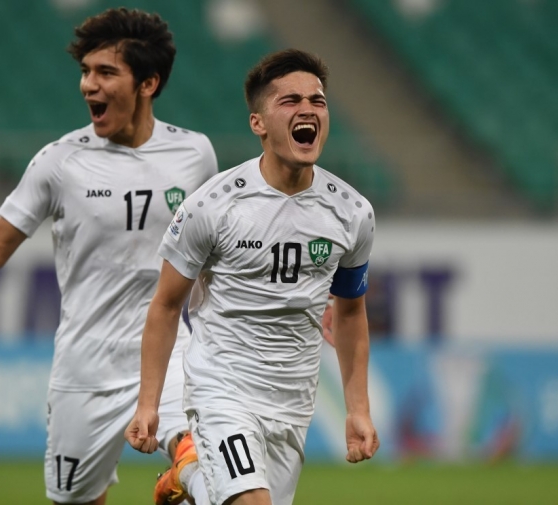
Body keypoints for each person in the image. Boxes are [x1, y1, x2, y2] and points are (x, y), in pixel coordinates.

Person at [0, 8, 216, 505]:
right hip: (85, 369)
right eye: (85, 72)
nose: (89, 85)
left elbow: (213, 252)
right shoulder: (59, 162)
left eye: (106, 72)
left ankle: (183, 479)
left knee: (202, 463)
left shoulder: (195, 155)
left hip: (169, 355)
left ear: (148, 83)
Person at [125, 49, 380, 505]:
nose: (307, 109)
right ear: (258, 123)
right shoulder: (212, 206)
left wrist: (357, 408)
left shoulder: (352, 213)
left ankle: (188, 479)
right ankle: (192, 469)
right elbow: (165, 305)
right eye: (290, 101)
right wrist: (149, 403)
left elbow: (350, 312)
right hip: (222, 387)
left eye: (317, 101)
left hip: (292, 401)